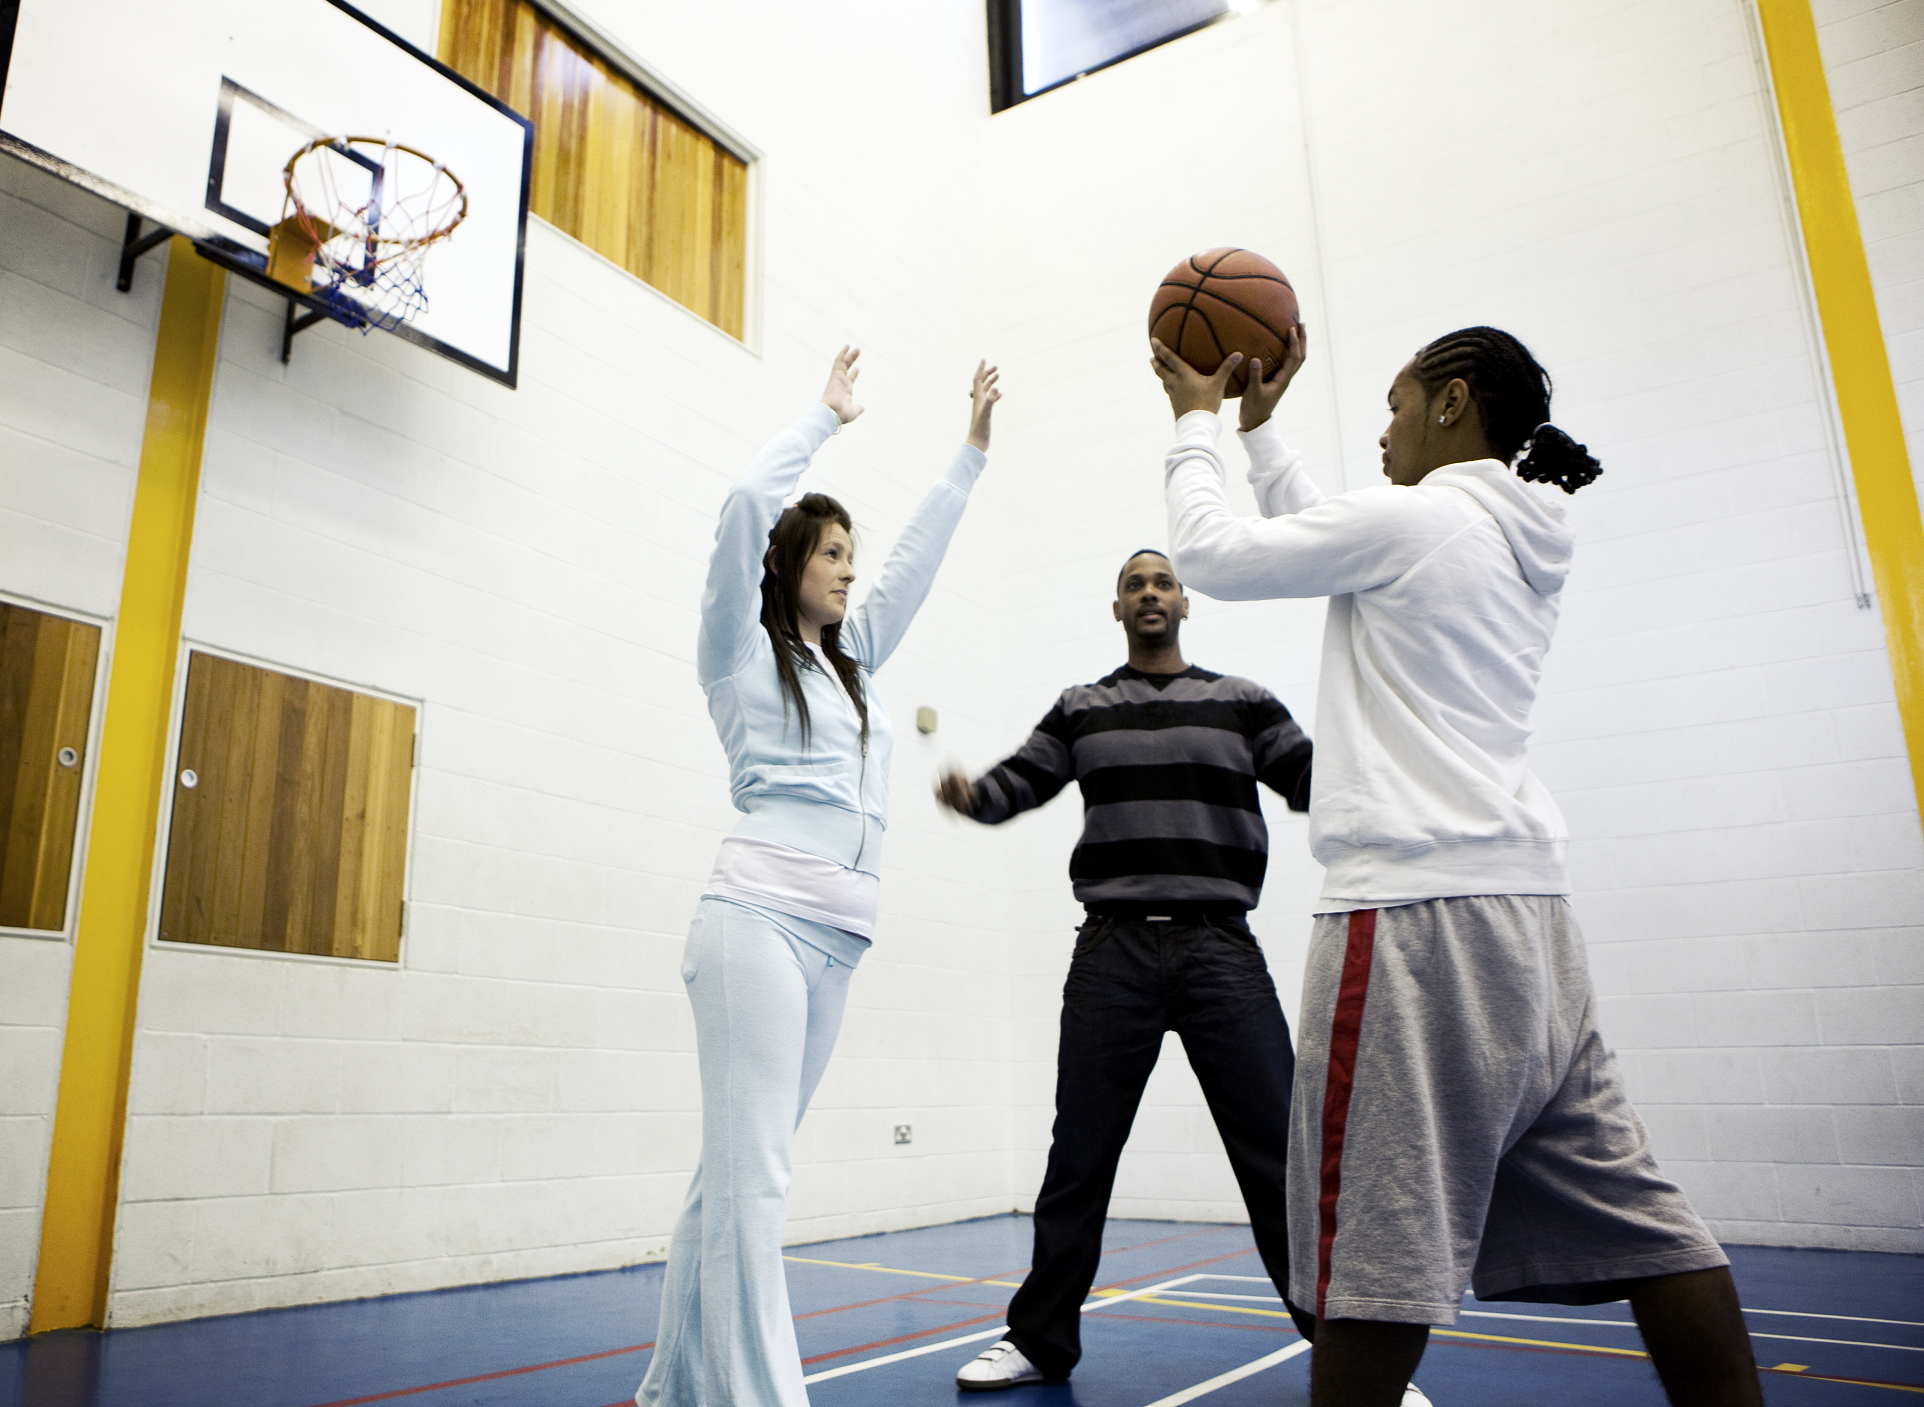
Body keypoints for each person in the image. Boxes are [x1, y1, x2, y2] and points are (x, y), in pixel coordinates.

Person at [1148, 325, 1764, 1407]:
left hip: (1411, 921)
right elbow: (1333, 529)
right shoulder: (1514, 531)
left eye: (1394, 404)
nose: (1381, 429)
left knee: (1371, 1251)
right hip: (1531, 928)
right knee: (1649, 1227)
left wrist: (1193, 417)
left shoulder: (1418, 519)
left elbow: (1211, 556)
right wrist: (1262, 431)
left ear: (1450, 402)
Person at [637, 347, 1001, 1407]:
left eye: (852, 552)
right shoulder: (736, 650)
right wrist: (822, 419)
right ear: (789, 558)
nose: (849, 568)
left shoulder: (854, 664)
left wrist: (968, 455)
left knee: (731, 1178)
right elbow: (745, 500)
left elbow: (910, 573)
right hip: (754, 921)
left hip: (838, 935)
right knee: (758, 1182)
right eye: (831, 551)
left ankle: (675, 1384)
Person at [936, 548, 1319, 1391]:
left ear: (1185, 602)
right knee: (1079, 1155)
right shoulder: (1083, 707)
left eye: (1162, 582)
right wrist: (974, 795)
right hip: (1111, 953)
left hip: (1220, 948)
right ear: (1118, 610)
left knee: (1279, 1161)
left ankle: (1351, 1354)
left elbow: (1314, 779)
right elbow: (1019, 782)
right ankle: (1040, 1342)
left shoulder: (1243, 702)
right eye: (1133, 584)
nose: (1149, 592)